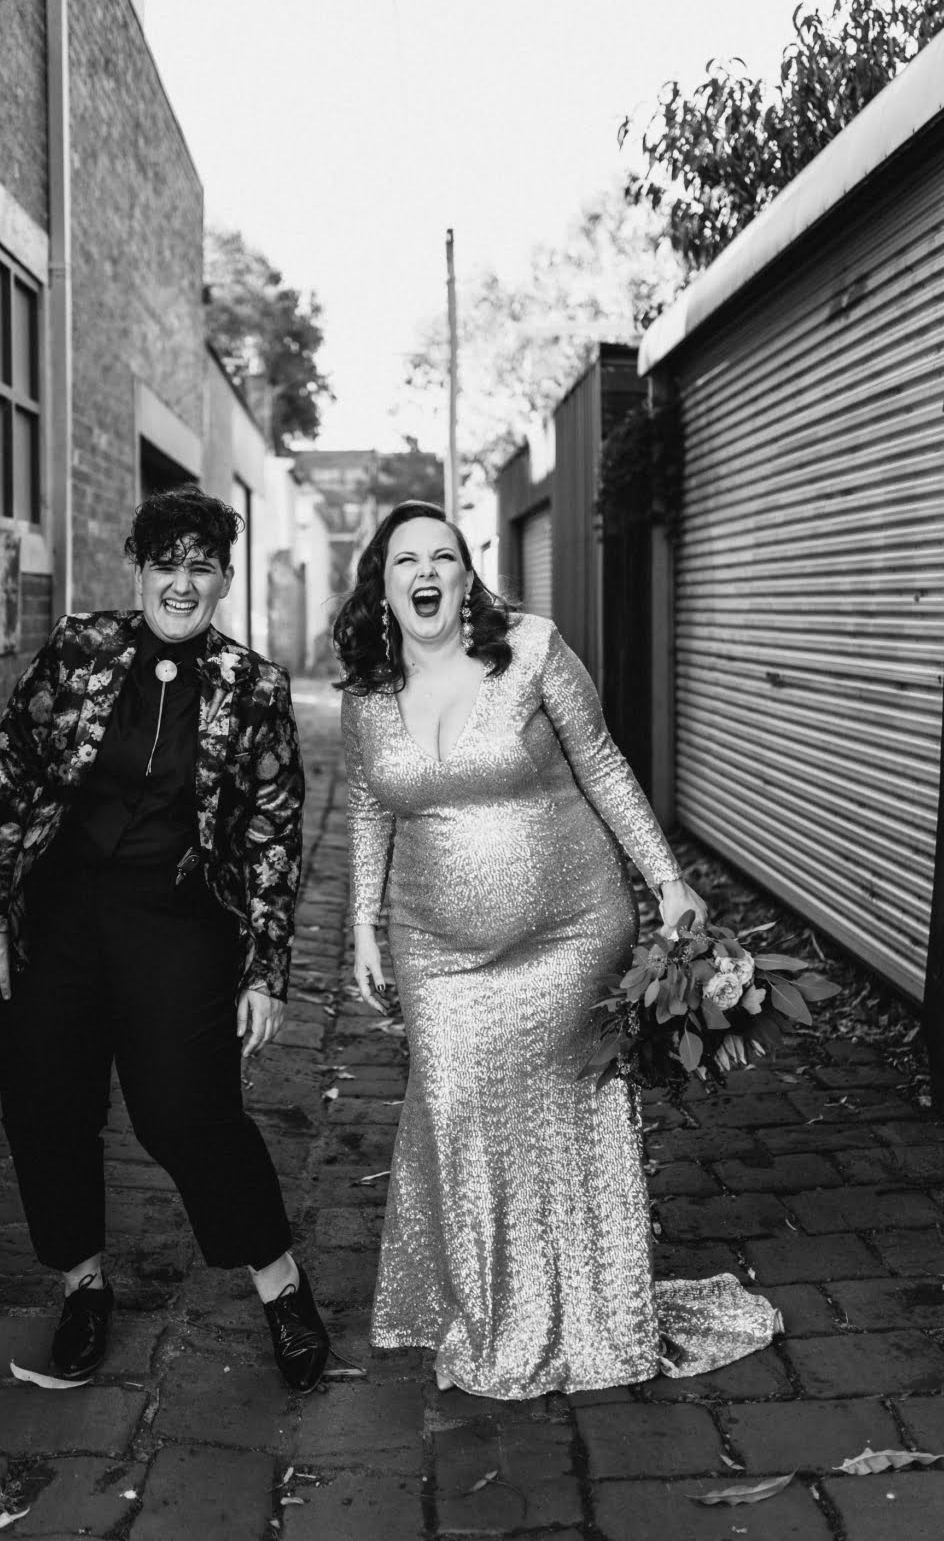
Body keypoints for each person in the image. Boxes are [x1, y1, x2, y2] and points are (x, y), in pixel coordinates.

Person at [335, 500, 780, 1400]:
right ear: (382, 586)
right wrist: (361, 923)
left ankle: (590, 1311)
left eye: (443, 557)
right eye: (405, 561)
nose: (426, 573)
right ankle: (494, 1316)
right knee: (458, 1113)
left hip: (571, 930)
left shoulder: (532, 650)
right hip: (437, 950)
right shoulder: (367, 697)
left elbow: (603, 764)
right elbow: (370, 805)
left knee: (565, 1123)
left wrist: (668, 881)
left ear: (467, 576)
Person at [0, 485, 329, 1391]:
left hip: (178, 921)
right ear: (138, 570)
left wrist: (265, 969)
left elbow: (273, 833)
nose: (182, 583)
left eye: (201, 567)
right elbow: (11, 778)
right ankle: (83, 1287)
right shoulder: (78, 650)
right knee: (48, 1107)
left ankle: (281, 1285)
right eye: (166, 564)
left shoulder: (255, 687)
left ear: (225, 580)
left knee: (185, 1112)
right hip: (57, 917)